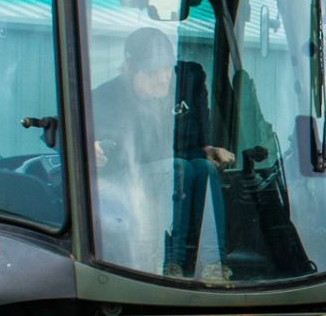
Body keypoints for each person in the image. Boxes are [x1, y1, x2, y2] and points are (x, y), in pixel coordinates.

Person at [90, 27, 233, 274]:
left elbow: (193, 137)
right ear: (129, 69)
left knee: (204, 168)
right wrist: (89, 147)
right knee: (179, 168)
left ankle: (213, 266)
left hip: (175, 175)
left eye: (167, 68)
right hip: (126, 183)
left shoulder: (187, 83)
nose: (164, 77)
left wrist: (207, 148)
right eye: (152, 71)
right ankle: (170, 265)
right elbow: (66, 132)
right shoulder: (104, 97)